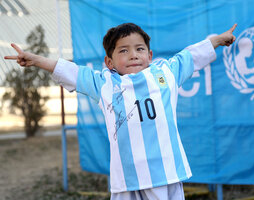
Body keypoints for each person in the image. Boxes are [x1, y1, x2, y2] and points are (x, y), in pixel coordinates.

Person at [5, 22, 237, 200]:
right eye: (123, 51)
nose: (133, 54)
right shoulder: (104, 83)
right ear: (109, 61)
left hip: (164, 173)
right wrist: (35, 60)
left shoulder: (165, 73)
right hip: (126, 178)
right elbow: (70, 71)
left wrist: (218, 39)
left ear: (149, 55)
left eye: (139, 49)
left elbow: (191, 56)